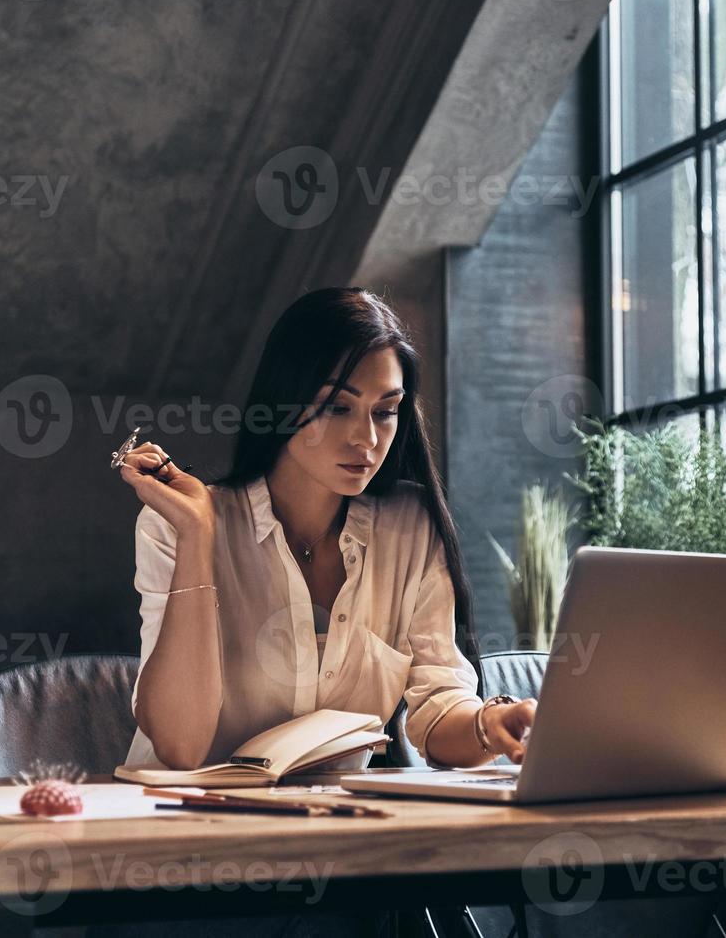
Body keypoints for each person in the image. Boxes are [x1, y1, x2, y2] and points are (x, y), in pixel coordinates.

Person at [106, 287, 537, 936]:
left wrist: (494, 725)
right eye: (337, 406)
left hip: (339, 870)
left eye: (386, 412)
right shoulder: (181, 524)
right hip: (184, 870)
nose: (366, 438)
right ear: (285, 401)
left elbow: (437, 707)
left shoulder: (408, 528)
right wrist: (199, 543)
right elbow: (180, 743)